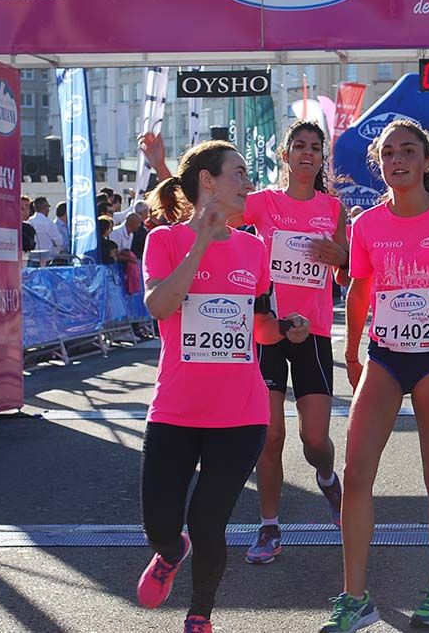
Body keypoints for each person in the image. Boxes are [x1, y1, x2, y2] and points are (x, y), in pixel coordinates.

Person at [142, 122, 350, 565]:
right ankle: (269, 525)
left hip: (309, 329)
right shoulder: (263, 202)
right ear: (285, 155)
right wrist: (163, 168)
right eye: (299, 146)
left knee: (315, 440)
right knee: (270, 435)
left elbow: (348, 271)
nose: (307, 154)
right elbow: (206, 209)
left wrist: (343, 258)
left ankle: (329, 477)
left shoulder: (334, 209)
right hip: (262, 326)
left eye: (315, 147)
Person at [136, 140, 311, 633]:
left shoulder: (254, 247)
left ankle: (200, 615)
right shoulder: (164, 241)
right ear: (208, 181)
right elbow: (160, 307)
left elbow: (256, 325)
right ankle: (170, 554)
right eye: (239, 173)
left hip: (241, 413)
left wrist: (284, 327)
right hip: (175, 410)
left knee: (209, 521)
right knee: (161, 526)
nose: (248, 183)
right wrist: (202, 242)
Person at [321, 120, 429, 632]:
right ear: (380, 162)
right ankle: (355, 597)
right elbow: (359, 292)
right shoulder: (367, 224)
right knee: (356, 473)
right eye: (388, 153)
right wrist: (350, 353)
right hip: (385, 357)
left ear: (426, 161)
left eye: (408, 151)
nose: (398, 160)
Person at [28, 196, 64, 265]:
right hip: (47, 260)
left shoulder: (29, 221)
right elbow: (59, 242)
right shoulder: (48, 223)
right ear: (45, 208)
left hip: (32, 259)